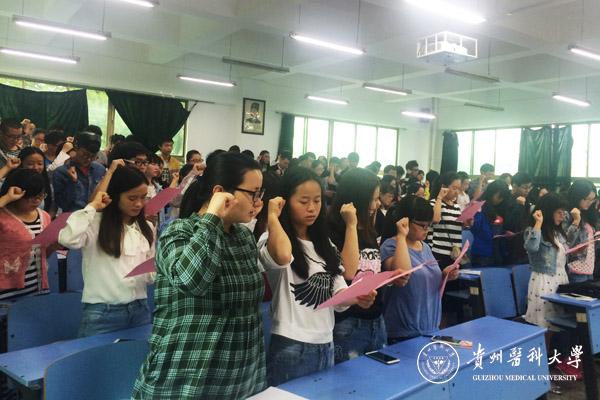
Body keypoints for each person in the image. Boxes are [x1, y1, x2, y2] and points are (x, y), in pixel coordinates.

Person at [133, 152, 266, 399]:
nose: (258, 202)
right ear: (220, 193)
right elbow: (190, 280)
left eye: (260, 194)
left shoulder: (243, 237)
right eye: (253, 193)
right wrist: (213, 218)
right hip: (186, 379)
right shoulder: (178, 232)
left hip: (238, 379)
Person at [258, 167, 376, 386]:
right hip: (291, 343)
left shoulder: (325, 244)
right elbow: (282, 256)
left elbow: (338, 293)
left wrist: (359, 297)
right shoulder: (271, 239)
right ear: (285, 202)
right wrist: (273, 216)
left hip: (326, 341)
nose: (312, 208)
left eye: (317, 200)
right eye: (303, 201)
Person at [58, 166, 154, 337]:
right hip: (103, 312)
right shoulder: (94, 223)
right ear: (115, 195)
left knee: (137, 354)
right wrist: (93, 206)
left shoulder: (147, 228)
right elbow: (67, 239)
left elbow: (149, 276)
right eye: (132, 198)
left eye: (143, 197)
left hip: (140, 309)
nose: (139, 204)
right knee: (93, 355)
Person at [327, 168, 388, 364]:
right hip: (348, 322)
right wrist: (351, 225)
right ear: (358, 199)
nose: (377, 204)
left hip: (376, 319)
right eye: (373, 199)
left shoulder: (369, 227)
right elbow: (348, 271)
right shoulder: (334, 229)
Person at [380, 195, 458, 343]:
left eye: (429, 225)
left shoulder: (425, 247)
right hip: (403, 331)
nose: (427, 229)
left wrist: (444, 275)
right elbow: (402, 276)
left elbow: (425, 281)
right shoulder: (391, 246)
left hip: (430, 327)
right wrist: (401, 236)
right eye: (422, 225)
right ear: (405, 221)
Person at [0, 169, 52, 300]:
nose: (37, 201)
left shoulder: (44, 216)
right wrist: (6, 198)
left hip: (37, 287)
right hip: (5, 292)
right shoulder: (2, 216)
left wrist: (54, 246)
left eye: (41, 196)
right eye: (31, 196)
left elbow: (44, 253)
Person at [523, 193, 569, 335]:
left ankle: (556, 349)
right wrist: (538, 223)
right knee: (544, 324)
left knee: (560, 324)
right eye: (559, 212)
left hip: (560, 279)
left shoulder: (557, 232)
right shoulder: (533, 231)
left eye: (564, 212)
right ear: (549, 212)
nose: (562, 216)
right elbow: (531, 247)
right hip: (544, 280)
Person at [53, 133, 106, 212]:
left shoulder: (100, 169)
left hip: (95, 214)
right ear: (76, 148)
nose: (88, 159)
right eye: (85, 154)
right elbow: (63, 204)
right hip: (72, 216)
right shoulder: (61, 172)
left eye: (93, 156)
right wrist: (72, 182)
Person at [470, 180, 511, 266]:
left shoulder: (502, 207)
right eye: (499, 196)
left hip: (498, 251)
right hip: (482, 252)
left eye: (502, 198)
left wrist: (505, 233)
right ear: (491, 193)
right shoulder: (479, 206)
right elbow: (475, 228)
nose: (500, 200)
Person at [563, 180, 597, 283]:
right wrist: (576, 221)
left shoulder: (587, 214)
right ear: (577, 196)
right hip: (574, 267)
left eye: (592, 199)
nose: (590, 203)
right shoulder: (566, 214)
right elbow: (565, 242)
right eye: (587, 199)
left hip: (589, 268)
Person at [428, 172, 463, 268]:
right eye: (454, 188)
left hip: (455, 253)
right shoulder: (434, 203)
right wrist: (439, 197)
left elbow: (456, 227)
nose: (457, 192)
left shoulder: (457, 206)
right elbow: (435, 219)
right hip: (438, 252)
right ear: (444, 187)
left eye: (459, 189)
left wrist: (466, 222)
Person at [504, 172, 533, 264]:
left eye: (530, 187)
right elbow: (509, 223)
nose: (528, 190)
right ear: (515, 186)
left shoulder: (526, 199)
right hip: (511, 246)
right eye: (525, 187)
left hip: (524, 242)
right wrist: (519, 206)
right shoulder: (507, 199)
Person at [17, 147, 54, 215]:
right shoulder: (12, 184)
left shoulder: (46, 184)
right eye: (30, 164)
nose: (36, 168)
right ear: (21, 164)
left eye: (40, 164)